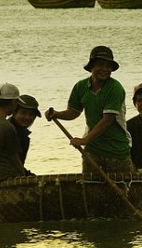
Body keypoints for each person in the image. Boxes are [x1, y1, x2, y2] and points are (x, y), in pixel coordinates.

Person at [45, 45, 134, 173]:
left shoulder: (115, 88)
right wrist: (56, 114)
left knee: (121, 188)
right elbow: (73, 112)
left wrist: (84, 140)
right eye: (100, 65)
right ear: (91, 66)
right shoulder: (80, 87)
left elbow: (107, 120)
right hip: (92, 149)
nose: (104, 69)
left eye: (108, 66)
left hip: (116, 150)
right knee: (89, 188)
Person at [8, 94, 41, 176]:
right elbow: (12, 162)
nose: (27, 117)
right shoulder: (8, 130)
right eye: (23, 113)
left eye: (31, 114)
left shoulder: (23, 135)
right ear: (14, 113)